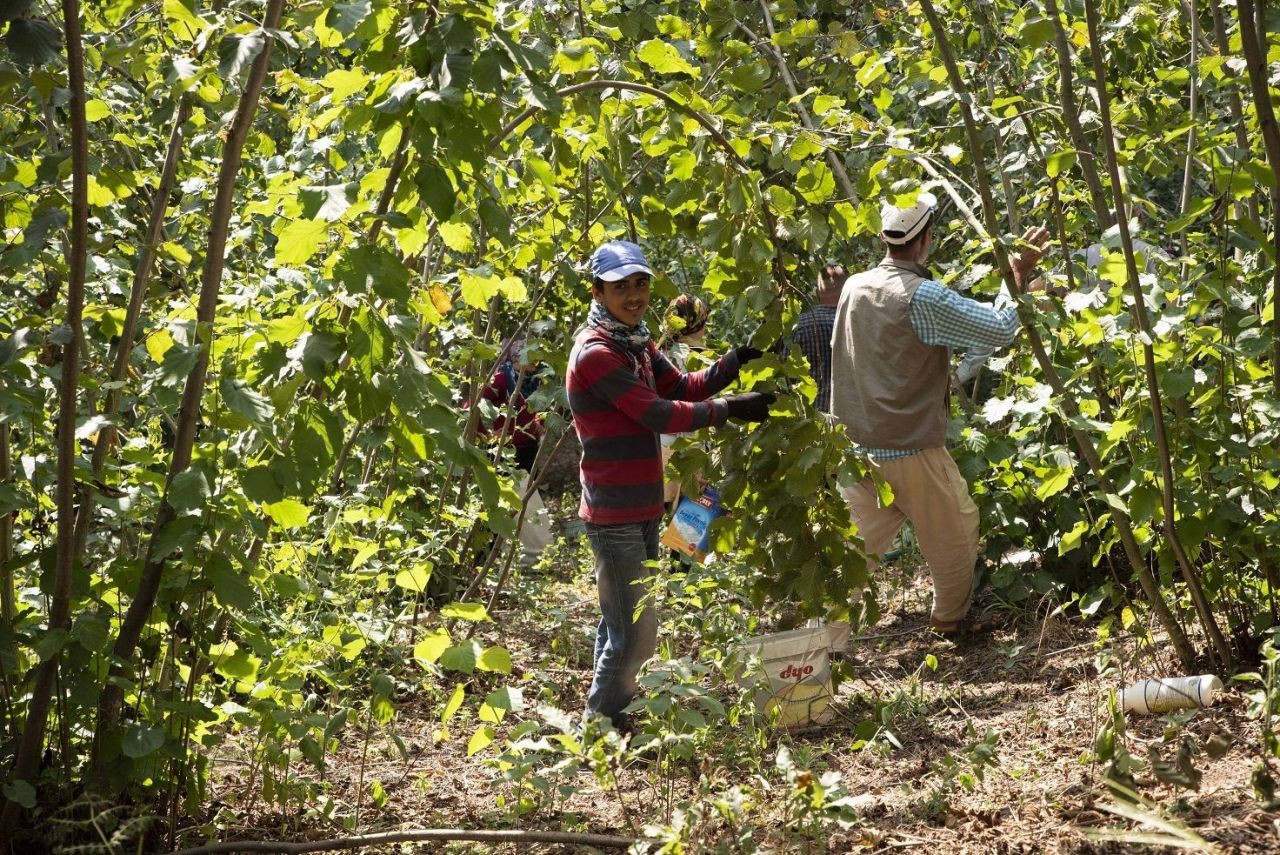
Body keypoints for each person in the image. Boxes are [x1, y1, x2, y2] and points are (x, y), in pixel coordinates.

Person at [567, 239, 775, 731]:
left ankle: (603, 717)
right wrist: (730, 409)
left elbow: (680, 388)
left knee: (620, 622)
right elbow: (657, 412)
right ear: (598, 291)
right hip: (612, 509)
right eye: (621, 286)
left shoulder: (635, 341)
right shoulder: (597, 352)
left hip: (642, 505)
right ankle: (600, 726)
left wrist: (732, 362)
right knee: (638, 634)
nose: (634, 295)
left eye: (640, 284)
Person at [830, 190, 1050, 636]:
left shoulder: (855, 285)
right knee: (957, 534)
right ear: (927, 238)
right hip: (909, 448)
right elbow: (999, 328)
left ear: (883, 238)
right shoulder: (922, 296)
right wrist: (1018, 274)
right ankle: (948, 621)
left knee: (850, 557)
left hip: (855, 447)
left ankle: (819, 644)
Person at [658, 294, 711, 506]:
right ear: (697, 323)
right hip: (691, 448)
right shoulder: (702, 358)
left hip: (660, 446)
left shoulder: (656, 353)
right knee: (690, 520)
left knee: (662, 512)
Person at [479, 335, 543, 474]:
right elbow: (472, 406)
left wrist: (538, 421)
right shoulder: (501, 379)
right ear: (519, 355)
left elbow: (535, 409)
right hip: (505, 451)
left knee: (529, 494)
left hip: (530, 448)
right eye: (533, 355)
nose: (537, 360)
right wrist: (487, 435)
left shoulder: (534, 381)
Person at [789, 264, 847, 413]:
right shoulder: (860, 322)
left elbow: (784, 375)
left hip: (811, 418)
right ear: (848, 290)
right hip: (854, 418)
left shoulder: (799, 326)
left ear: (817, 293)